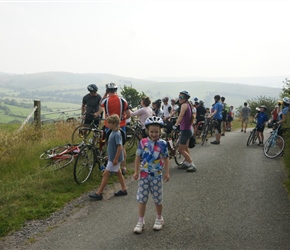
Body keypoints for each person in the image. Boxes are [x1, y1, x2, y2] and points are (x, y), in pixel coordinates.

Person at [133, 116, 170, 234]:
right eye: (152, 131)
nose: (154, 134)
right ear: (147, 131)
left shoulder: (163, 144)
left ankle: (159, 218)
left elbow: (166, 158)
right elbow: (138, 156)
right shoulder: (143, 142)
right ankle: (140, 221)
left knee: (158, 199)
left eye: (157, 132)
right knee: (142, 199)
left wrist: (167, 172)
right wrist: (136, 171)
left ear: (160, 132)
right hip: (144, 175)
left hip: (156, 176)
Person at [89, 114, 128, 200]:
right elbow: (112, 147)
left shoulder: (117, 134)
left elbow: (119, 147)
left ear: (115, 124)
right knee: (118, 172)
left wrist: (115, 159)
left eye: (109, 123)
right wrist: (109, 156)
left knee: (105, 174)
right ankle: (124, 189)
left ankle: (99, 193)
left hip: (115, 159)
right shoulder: (112, 132)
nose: (107, 124)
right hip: (112, 157)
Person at [100, 82, 130, 172]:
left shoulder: (105, 101)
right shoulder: (123, 100)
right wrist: (122, 118)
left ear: (108, 90)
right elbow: (128, 114)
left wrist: (105, 93)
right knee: (121, 146)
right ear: (116, 90)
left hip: (108, 126)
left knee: (110, 146)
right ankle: (123, 167)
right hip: (121, 125)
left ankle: (111, 166)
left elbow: (101, 103)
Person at [173, 90, 197, 172]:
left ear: (186, 98)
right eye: (179, 97)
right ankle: (187, 163)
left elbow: (180, 115)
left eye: (181, 97)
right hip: (188, 129)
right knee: (185, 148)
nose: (180, 98)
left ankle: (192, 164)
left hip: (185, 130)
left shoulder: (184, 105)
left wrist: (176, 125)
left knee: (181, 150)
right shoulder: (188, 104)